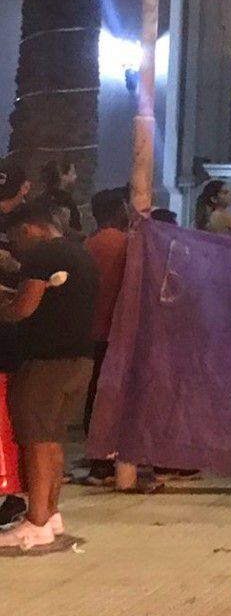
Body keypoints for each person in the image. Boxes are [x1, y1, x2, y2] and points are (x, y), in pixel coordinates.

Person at [0, 198, 100, 548]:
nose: (15, 248)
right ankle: (51, 514)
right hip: (79, 360)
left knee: (36, 441)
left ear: (29, 229)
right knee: (53, 439)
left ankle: (35, 521)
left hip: (46, 363)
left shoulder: (44, 255)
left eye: (15, 239)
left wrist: (4, 306)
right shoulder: (80, 253)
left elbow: (24, 308)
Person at [79, 189, 152, 493]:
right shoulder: (124, 245)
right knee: (114, 396)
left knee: (95, 394)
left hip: (92, 330)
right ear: (118, 210)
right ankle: (109, 460)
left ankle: (98, 460)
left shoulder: (89, 245)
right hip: (116, 331)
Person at [40, 160, 81, 234]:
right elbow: (76, 226)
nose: (76, 177)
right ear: (62, 176)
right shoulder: (67, 199)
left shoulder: (40, 198)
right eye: (73, 173)